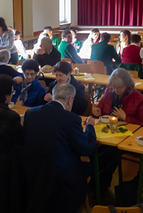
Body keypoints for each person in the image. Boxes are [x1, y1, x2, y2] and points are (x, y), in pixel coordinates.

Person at [24, 83, 96, 212]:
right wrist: (90, 127)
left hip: (34, 171)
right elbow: (87, 148)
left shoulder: (30, 113)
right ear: (71, 99)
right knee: (90, 165)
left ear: (53, 96)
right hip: (61, 175)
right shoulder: (71, 119)